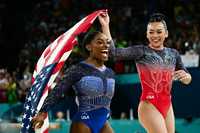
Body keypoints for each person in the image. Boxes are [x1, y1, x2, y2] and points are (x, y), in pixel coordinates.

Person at [31, 12, 115, 133]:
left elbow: (113, 52)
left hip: (103, 122)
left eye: (106, 43)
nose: (105, 46)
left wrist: (105, 26)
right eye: (99, 42)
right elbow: (58, 91)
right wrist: (42, 112)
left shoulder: (110, 72)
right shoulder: (78, 69)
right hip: (83, 123)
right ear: (89, 47)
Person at [109, 13, 192, 133]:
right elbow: (114, 54)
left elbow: (188, 77)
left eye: (159, 31)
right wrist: (106, 26)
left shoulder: (174, 54)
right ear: (147, 34)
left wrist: (186, 77)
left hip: (168, 105)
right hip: (149, 105)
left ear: (166, 33)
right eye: (151, 32)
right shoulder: (141, 51)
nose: (155, 35)